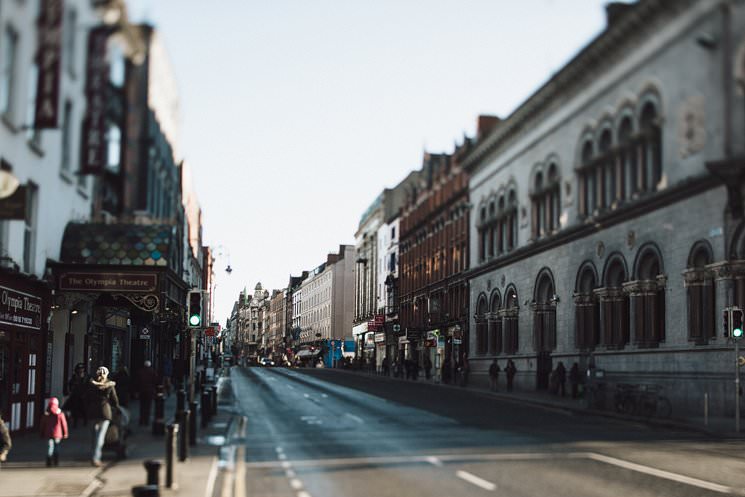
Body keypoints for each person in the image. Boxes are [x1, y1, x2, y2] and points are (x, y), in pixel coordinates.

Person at [86, 366, 119, 467]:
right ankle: (96, 458)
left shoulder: (91, 384)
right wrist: (116, 408)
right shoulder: (109, 385)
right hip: (105, 412)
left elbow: (86, 397)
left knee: (94, 436)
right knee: (100, 437)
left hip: (92, 412)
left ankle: (94, 455)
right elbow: (114, 400)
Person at [40, 397, 68, 467]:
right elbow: (64, 424)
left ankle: (48, 461)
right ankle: (56, 461)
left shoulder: (46, 414)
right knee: (57, 447)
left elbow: (42, 425)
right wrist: (65, 433)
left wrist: (41, 433)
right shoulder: (60, 413)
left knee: (50, 447)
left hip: (48, 433)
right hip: (58, 434)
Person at [64, 363, 88, 428]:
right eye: (79, 369)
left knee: (83, 410)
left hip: (83, 396)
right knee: (74, 410)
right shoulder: (75, 377)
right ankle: (75, 422)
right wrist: (71, 391)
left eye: (81, 369)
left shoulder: (85, 377)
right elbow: (70, 384)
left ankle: (85, 421)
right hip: (75, 396)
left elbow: (87, 386)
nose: (80, 371)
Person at [136, 360, 158, 426]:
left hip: (142, 391)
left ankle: (141, 420)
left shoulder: (140, 372)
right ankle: (146, 421)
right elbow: (155, 382)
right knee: (148, 407)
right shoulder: (153, 372)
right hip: (149, 392)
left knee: (142, 406)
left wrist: (137, 391)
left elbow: (137, 383)